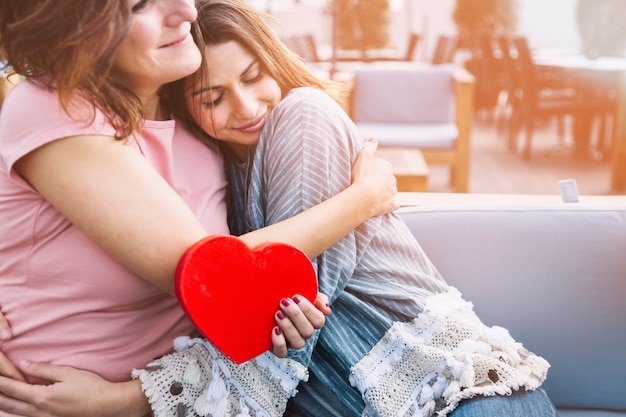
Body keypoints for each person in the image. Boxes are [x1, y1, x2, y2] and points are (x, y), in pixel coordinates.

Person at [1, 0, 558, 416]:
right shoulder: (155, 130)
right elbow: (42, 228)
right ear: (80, 29)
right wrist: (361, 200)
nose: (186, 10)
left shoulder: (281, 123)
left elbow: (252, 302)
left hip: (447, 393)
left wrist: (130, 401)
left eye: (252, 77)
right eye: (213, 97)